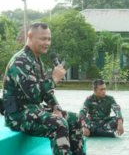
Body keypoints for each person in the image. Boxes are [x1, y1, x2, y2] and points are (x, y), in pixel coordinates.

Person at [2, 23, 85, 155]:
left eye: (49, 39)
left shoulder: (36, 61)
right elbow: (32, 93)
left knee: (75, 119)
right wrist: (54, 79)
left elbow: (46, 92)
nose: (47, 43)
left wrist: (56, 107)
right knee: (59, 124)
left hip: (34, 111)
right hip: (18, 116)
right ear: (30, 36)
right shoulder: (20, 61)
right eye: (43, 39)